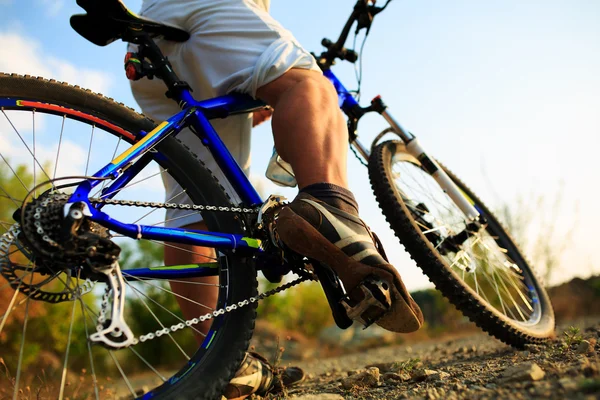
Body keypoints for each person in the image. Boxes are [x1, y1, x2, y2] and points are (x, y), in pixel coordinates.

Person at [129, 0, 424, 398]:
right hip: (212, 10)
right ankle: (330, 208)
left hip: (149, 36)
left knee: (196, 210)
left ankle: (221, 362)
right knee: (309, 86)